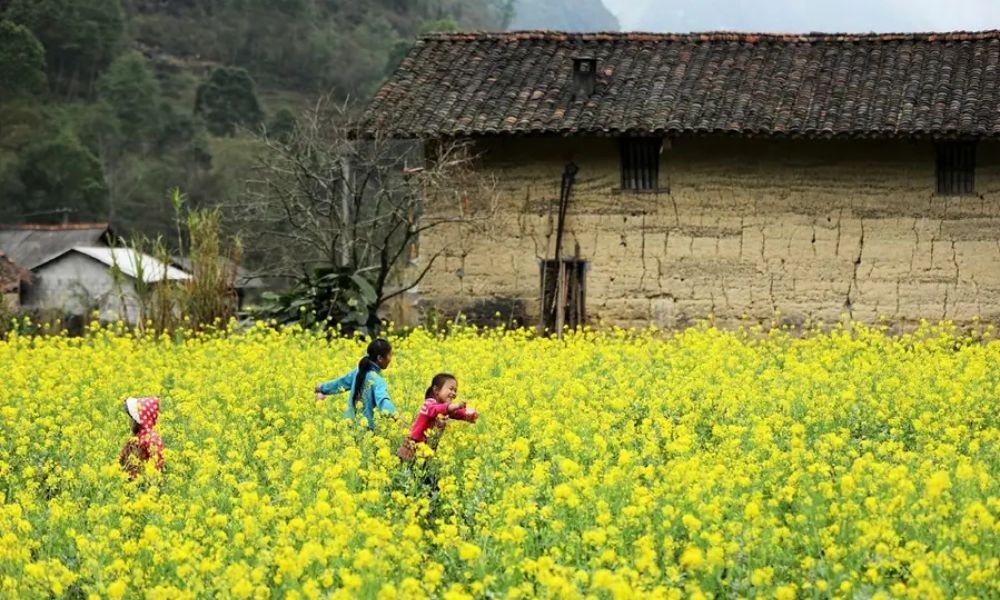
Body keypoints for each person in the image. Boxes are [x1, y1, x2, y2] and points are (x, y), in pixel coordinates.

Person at [316, 338, 398, 431]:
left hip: (348, 425)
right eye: (389, 355)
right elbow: (383, 400)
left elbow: (341, 383)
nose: (390, 359)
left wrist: (321, 388)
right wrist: (396, 416)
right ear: (379, 358)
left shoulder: (359, 371)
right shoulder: (377, 380)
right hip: (365, 430)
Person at [397, 373, 478, 461]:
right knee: (407, 471)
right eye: (451, 389)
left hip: (428, 448)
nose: (454, 393)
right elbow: (436, 409)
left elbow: (456, 412)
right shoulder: (428, 404)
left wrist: (468, 415)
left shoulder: (445, 408)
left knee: (424, 471)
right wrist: (457, 405)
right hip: (412, 447)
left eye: (455, 390)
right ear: (436, 390)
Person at [118, 396, 164, 479]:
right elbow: (121, 460)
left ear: (138, 419)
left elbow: (158, 463)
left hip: (144, 482)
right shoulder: (135, 438)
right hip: (132, 482)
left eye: (131, 418)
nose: (129, 421)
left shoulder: (151, 439)